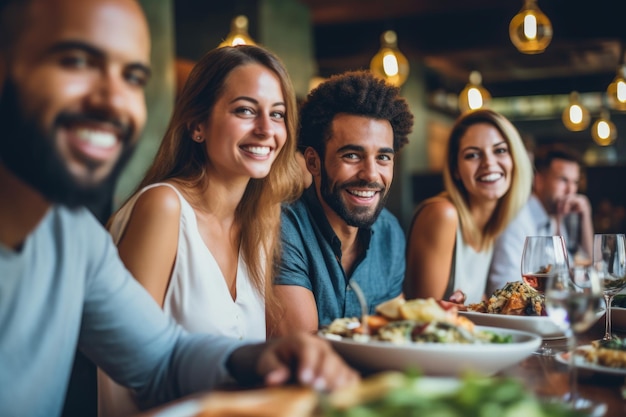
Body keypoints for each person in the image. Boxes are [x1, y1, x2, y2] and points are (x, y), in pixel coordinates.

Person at [0, 0, 358, 416]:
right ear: (196, 125)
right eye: (77, 61)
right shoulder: (160, 207)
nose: (114, 99)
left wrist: (260, 359)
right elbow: (121, 387)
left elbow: (160, 356)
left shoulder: (73, 235)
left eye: (133, 77)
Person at [98, 44, 304, 416]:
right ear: (197, 125)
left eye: (278, 115)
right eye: (245, 110)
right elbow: (121, 369)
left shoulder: (261, 223)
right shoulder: (163, 208)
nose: (266, 130)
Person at [273, 70, 414, 334]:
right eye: (351, 155)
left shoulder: (390, 232)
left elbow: (397, 333)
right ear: (314, 162)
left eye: (383, 157)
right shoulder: (283, 230)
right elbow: (304, 352)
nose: (371, 174)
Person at [405, 109, 532, 304]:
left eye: (500, 150)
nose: (489, 163)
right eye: (472, 155)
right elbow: (423, 319)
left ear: (515, 159)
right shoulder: (443, 214)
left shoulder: (490, 226)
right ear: (455, 169)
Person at [487, 144, 594, 294]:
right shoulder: (516, 219)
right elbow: (503, 288)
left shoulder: (553, 218)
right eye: (563, 180)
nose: (571, 191)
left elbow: (586, 278)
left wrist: (586, 217)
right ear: (538, 181)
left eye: (575, 182)